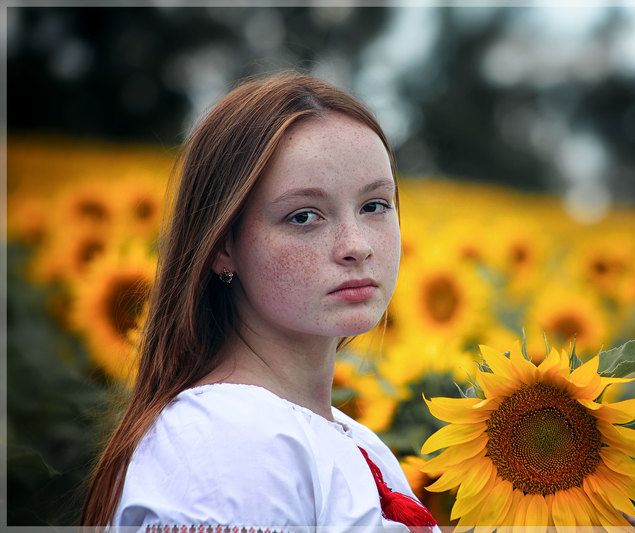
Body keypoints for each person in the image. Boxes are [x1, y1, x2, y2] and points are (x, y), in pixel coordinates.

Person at [80, 71, 439, 532]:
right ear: (223, 246)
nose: (357, 245)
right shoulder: (224, 441)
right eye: (304, 216)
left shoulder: (350, 441)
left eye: (375, 205)